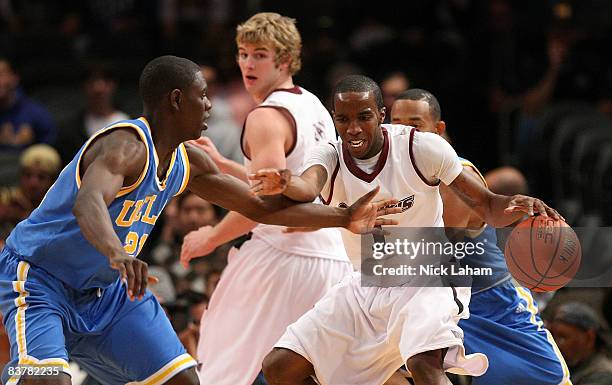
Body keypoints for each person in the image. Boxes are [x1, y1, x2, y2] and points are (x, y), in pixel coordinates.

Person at [0, 56, 394, 385]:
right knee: (48, 380)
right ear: (175, 100)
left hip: (106, 293)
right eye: (202, 96)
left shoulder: (189, 161)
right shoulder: (124, 146)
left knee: (184, 381)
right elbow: (88, 204)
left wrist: (341, 216)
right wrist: (118, 254)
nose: (210, 105)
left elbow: (261, 208)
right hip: (41, 280)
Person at [252, 75, 562, 385]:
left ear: (380, 115)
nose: (354, 128)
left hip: (430, 276)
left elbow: (487, 205)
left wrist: (517, 204)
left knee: (425, 365)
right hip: (368, 282)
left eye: (364, 117)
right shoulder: (329, 155)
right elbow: (307, 187)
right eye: (344, 119)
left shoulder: (421, 147)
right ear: (335, 119)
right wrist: (286, 182)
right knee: (280, 367)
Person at [179, 13, 356, 385]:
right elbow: (284, 183)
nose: (247, 64)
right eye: (242, 53)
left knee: (222, 369)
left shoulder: (264, 118)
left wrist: (210, 236)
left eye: (260, 54)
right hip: (334, 258)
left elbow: (267, 207)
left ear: (285, 60)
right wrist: (228, 166)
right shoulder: (313, 105)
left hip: (283, 260)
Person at [390, 88, 571, 385]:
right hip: (435, 306)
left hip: (492, 308)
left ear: (438, 129)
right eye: (397, 123)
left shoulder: (458, 176)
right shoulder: (397, 174)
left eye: (414, 124)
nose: (404, 132)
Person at [56, 64, 130, 165]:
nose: (98, 88)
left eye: (105, 81)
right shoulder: (70, 129)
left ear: (114, 85)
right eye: (92, 81)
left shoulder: (128, 124)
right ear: (84, 86)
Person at [0, 144, 61, 240]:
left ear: (53, 181)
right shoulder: (5, 199)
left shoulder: (59, 207)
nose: (33, 183)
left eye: (41, 177)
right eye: (27, 175)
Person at [0, 57, 57, 150]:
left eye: (1, 74)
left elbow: (51, 149)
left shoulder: (36, 113)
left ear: (14, 78)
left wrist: (29, 146)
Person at [549, 302, 612, 385]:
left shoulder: (602, 375)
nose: (555, 344)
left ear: (589, 338)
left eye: (563, 337)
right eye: (552, 336)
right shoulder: (566, 367)